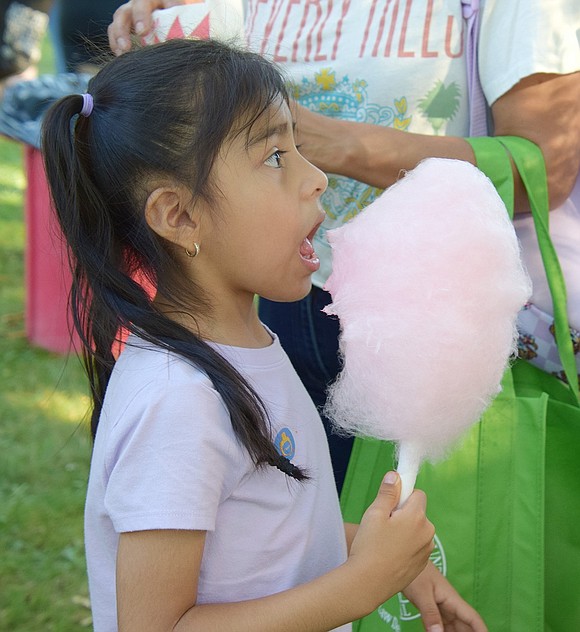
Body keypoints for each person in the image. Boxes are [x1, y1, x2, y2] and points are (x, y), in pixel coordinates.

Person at [41, 38, 486, 632]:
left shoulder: (247, 352)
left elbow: (261, 538)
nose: (317, 178)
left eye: (300, 149)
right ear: (180, 216)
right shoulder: (178, 400)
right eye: (276, 157)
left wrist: (371, 553)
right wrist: (359, 586)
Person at [108, 0, 580, 494]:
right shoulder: (170, 401)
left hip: (430, 315)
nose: (314, 180)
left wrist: (338, 144)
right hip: (280, 296)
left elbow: (547, 164)